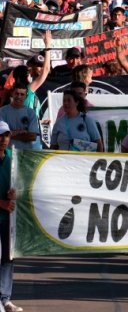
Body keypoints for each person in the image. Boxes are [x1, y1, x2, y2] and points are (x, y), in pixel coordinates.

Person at [0, 122, 21, 312]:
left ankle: (5, 299)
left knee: (7, 258)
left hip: (7, 219)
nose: (2, 139)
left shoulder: (13, 159)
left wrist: (16, 193)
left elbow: (22, 186)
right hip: (3, 211)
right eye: (0, 135)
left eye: (5, 135)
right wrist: (2, 203)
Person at [0, 83, 39, 150]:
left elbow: (33, 137)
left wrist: (10, 133)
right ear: (12, 94)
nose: (19, 97)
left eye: (22, 94)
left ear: (26, 97)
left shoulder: (31, 113)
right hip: (7, 154)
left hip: (25, 154)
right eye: (17, 93)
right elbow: (1, 135)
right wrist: (21, 132)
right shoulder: (2, 111)